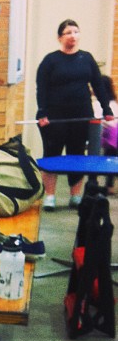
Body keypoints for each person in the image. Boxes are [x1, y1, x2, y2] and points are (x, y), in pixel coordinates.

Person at [36, 19, 114, 211]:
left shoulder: (86, 58)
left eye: (76, 32)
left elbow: (98, 85)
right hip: (55, 115)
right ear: (59, 37)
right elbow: (41, 88)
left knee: (77, 154)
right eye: (68, 32)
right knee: (52, 154)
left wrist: (107, 109)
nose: (73, 36)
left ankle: (75, 195)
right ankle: (50, 196)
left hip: (81, 114)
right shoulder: (50, 60)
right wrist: (42, 112)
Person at [92, 75, 117, 193]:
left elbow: (97, 120)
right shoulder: (114, 103)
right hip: (114, 136)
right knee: (111, 158)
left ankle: (94, 183)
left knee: (100, 158)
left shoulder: (98, 104)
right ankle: (109, 185)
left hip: (107, 136)